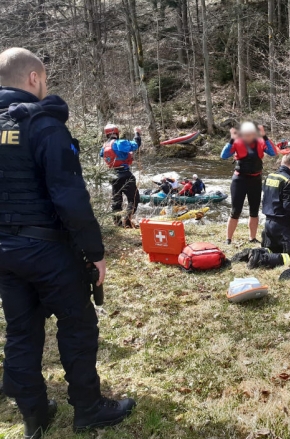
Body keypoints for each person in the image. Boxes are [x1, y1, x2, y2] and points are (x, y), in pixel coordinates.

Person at [0, 48, 135, 438]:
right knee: (77, 325)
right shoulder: (42, 123)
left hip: (5, 251)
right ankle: (89, 408)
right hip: (47, 248)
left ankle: (34, 413)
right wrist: (95, 252)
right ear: (33, 78)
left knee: (21, 331)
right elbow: (69, 196)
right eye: (43, 79)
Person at [246, 153, 290, 269]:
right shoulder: (288, 181)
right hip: (282, 226)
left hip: (268, 224)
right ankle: (261, 259)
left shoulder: (270, 176)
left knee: (274, 249)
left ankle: (253, 253)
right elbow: (289, 207)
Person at [220, 122, 276, 244]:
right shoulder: (237, 141)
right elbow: (223, 155)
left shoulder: (261, 142)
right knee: (235, 211)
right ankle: (228, 239)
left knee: (254, 211)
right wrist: (231, 140)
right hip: (239, 180)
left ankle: (252, 238)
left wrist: (265, 136)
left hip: (255, 180)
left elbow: (273, 153)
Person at [100, 123, 141, 228]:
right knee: (134, 199)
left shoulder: (104, 147)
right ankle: (127, 221)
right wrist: (137, 133)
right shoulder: (120, 143)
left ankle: (117, 224)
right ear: (117, 133)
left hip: (113, 176)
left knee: (117, 200)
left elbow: (102, 155)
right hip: (125, 175)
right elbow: (136, 144)